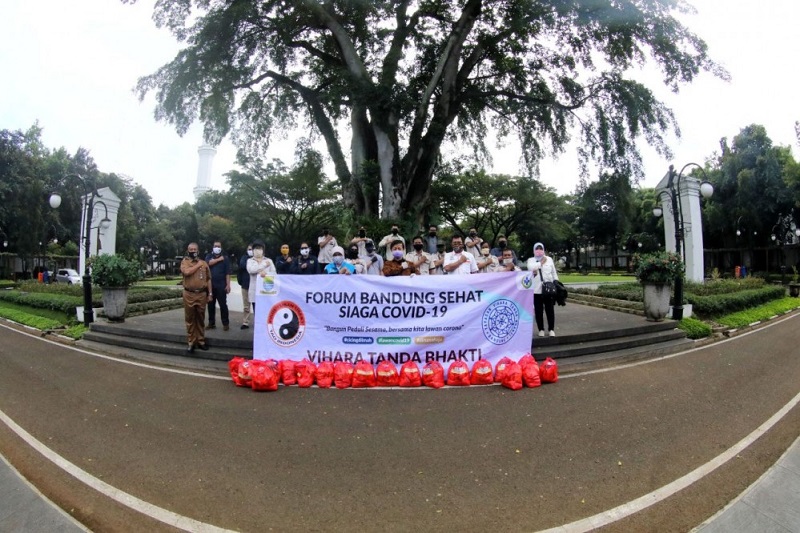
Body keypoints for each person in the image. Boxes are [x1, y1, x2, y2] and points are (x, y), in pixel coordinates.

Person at [180, 242, 212, 353]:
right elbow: (187, 272)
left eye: (195, 249)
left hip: (201, 294)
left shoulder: (204, 263)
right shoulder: (185, 262)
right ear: (188, 250)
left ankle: (201, 341)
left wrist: (210, 294)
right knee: (190, 319)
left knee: (200, 318)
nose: (193, 251)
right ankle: (191, 342)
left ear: (198, 250)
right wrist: (198, 265)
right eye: (191, 249)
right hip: (189, 294)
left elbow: (208, 279)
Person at [527, 242, 559, 337]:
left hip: (548, 289)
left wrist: (556, 282)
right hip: (536, 290)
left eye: (541, 248)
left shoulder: (549, 259)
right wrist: (541, 263)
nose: (539, 251)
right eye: (537, 248)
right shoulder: (531, 260)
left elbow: (553, 272)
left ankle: (551, 329)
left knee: (550, 310)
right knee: (538, 311)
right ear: (534, 250)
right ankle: (541, 329)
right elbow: (531, 268)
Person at [205, 240, 231, 331]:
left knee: (223, 305)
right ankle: (211, 323)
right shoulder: (208, 256)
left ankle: (225, 323)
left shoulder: (226, 258)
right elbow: (208, 263)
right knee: (210, 305)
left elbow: (228, 273)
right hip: (210, 285)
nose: (217, 248)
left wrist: (228, 285)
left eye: (219, 246)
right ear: (213, 247)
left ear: (221, 248)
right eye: (215, 246)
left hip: (221, 284)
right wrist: (219, 259)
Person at [247, 240, 277, 313]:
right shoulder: (250, 261)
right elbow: (251, 270)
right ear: (253, 250)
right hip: (255, 291)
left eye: (260, 248)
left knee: (266, 312)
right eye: (256, 248)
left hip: (266, 291)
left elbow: (274, 273)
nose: (258, 250)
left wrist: (265, 274)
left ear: (263, 250)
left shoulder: (269, 260)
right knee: (256, 312)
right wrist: (263, 265)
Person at [237, 244, 253, 329]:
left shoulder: (258, 258)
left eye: (252, 249)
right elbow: (242, 266)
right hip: (245, 285)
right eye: (249, 249)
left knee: (257, 306)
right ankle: (245, 322)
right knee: (246, 306)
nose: (250, 251)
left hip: (255, 286)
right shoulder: (244, 258)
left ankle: (259, 322)